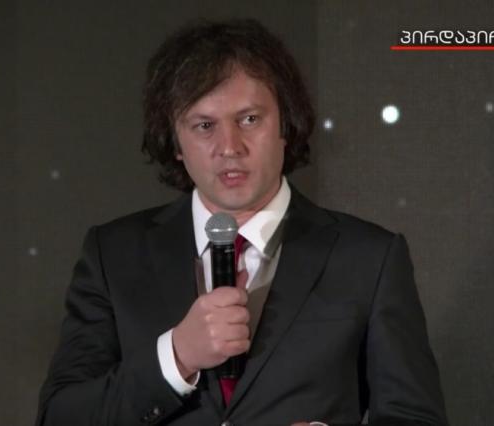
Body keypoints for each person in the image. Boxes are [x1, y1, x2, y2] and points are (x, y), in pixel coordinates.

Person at [36, 19, 448, 426]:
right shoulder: (113, 254)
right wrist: (177, 356)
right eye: (204, 126)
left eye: (249, 119)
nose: (230, 147)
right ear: (176, 142)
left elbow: (415, 416)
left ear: (286, 124)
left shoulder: (369, 257)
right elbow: (60, 416)